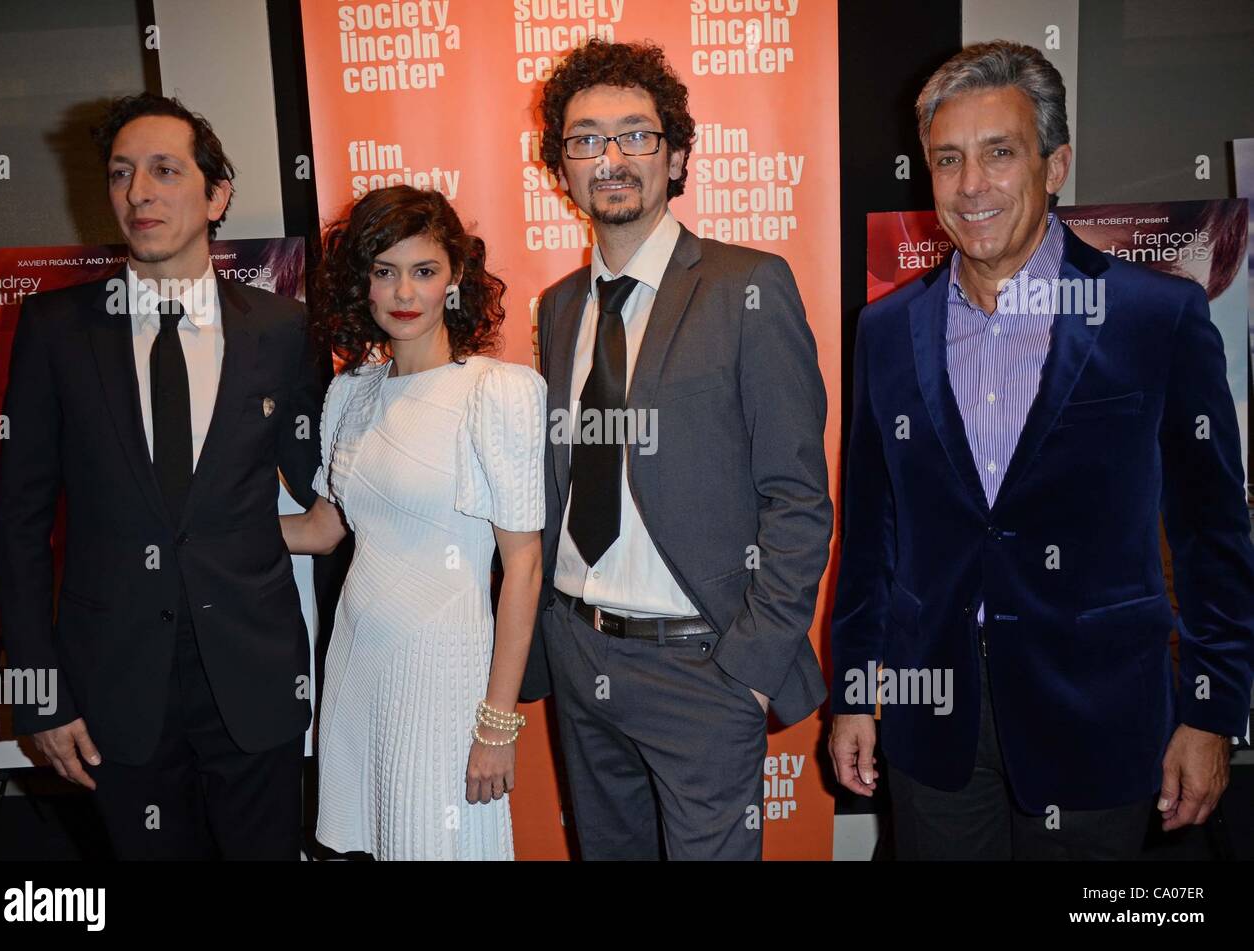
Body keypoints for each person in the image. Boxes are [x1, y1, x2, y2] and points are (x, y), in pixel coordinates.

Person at [828, 41, 1254, 860]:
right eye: (947, 160)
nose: (970, 185)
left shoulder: (1154, 318)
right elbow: (872, 530)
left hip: (1098, 715)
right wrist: (855, 689)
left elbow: (1213, 536)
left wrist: (1209, 710)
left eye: (999, 153)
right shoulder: (885, 330)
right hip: (934, 718)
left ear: (1055, 164)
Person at [522, 38, 832, 860]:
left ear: (678, 153)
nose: (611, 157)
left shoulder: (747, 287)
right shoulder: (556, 309)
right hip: (580, 652)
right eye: (585, 138)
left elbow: (798, 496)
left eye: (636, 134)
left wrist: (749, 670)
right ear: (562, 168)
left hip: (703, 667)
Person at [0, 93, 322, 859]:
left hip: (257, 681)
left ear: (217, 194)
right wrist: (37, 692)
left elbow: (323, 482)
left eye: (165, 170)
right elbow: (18, 523)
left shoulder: (281, 329)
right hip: (112, 692)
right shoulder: (55, 331)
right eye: (120, 174)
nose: (138, 192)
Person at [282, 185, 545, 861]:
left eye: (424, 271)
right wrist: (204, 523)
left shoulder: (495, 392)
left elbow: (524, 565)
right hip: (356, 663)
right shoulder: (350, 392)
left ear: (454, 279)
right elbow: (322, 528)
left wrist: (496, 723)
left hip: (446, 674)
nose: (405, 290)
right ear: (361, 283)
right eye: (385, 269)